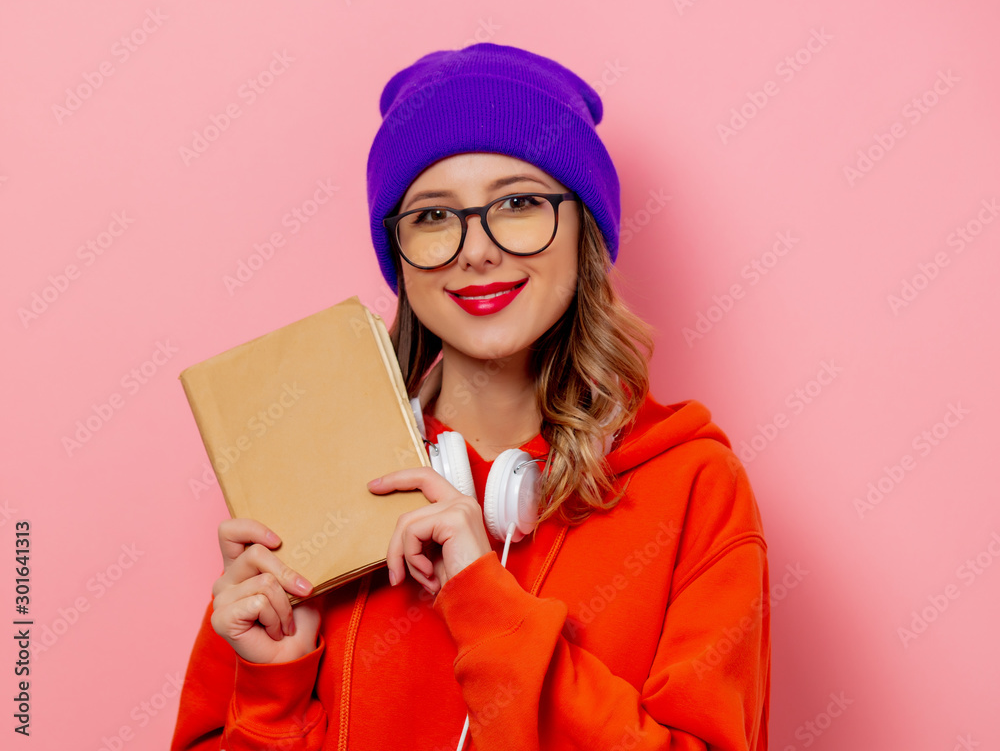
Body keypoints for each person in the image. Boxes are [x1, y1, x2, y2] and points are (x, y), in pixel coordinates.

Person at [171, 42, 770, 751]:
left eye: (518, 203)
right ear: (399, 254)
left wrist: (485, 601)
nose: (475, 249)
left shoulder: (695, 487)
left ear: (584, 232)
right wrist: (271, 690)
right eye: (431, 216)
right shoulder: (311, 476)